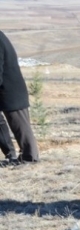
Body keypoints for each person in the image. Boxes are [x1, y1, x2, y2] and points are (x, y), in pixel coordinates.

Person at [0, 30, 39, 164]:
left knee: (20, 126)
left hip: (11, 90)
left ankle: (30, 157)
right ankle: (10, 154)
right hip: (5, 90)